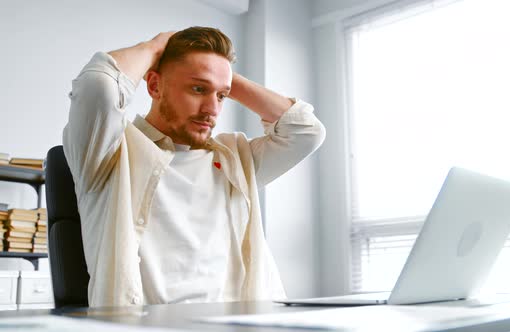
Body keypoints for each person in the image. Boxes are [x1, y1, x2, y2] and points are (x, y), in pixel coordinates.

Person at [63, 27, 325, 307]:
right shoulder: (108, 151)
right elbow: (97, 87)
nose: (212, 109)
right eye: (198, 89)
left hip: (240, 325)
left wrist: (220, 77)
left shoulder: (236, 158)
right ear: (154, 86)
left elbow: (307, 132)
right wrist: (153, 48)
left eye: (221, 96)